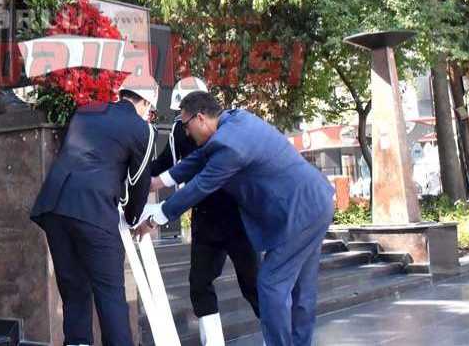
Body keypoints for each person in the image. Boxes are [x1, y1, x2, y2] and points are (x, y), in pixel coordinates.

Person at [135, 92, 334, 346]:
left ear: (200, 118)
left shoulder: (230, 147)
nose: (185, 133)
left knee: (271, 285)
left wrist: (154, 218)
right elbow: (198, 158)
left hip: (298, 213)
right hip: (316, 201)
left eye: (185, 125)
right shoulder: (235, 121)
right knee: (302, 290)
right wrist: (157, 181)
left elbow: (198, 187)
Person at [31, 88, 157, 346]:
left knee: (74, 291)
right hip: (94, 211)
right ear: (144, 103)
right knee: (110, 296)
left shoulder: (88, 110)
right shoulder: (141, 128)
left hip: (55, 205)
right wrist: (133, 219)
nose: (149, 114)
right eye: (150, 109)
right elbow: (140, 183)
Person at [148, 79, 259, 345]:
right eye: (182, 119)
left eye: (188, 120)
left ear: (201, 113)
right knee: (199, 283)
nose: (187, 130)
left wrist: (161, 211)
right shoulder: (179, 131)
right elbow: (168, 164)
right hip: (205, 217)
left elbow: (202, 176)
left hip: (236, 217)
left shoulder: (228, 130)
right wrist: (139, 176)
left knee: (253, 283)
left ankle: (278, 337)